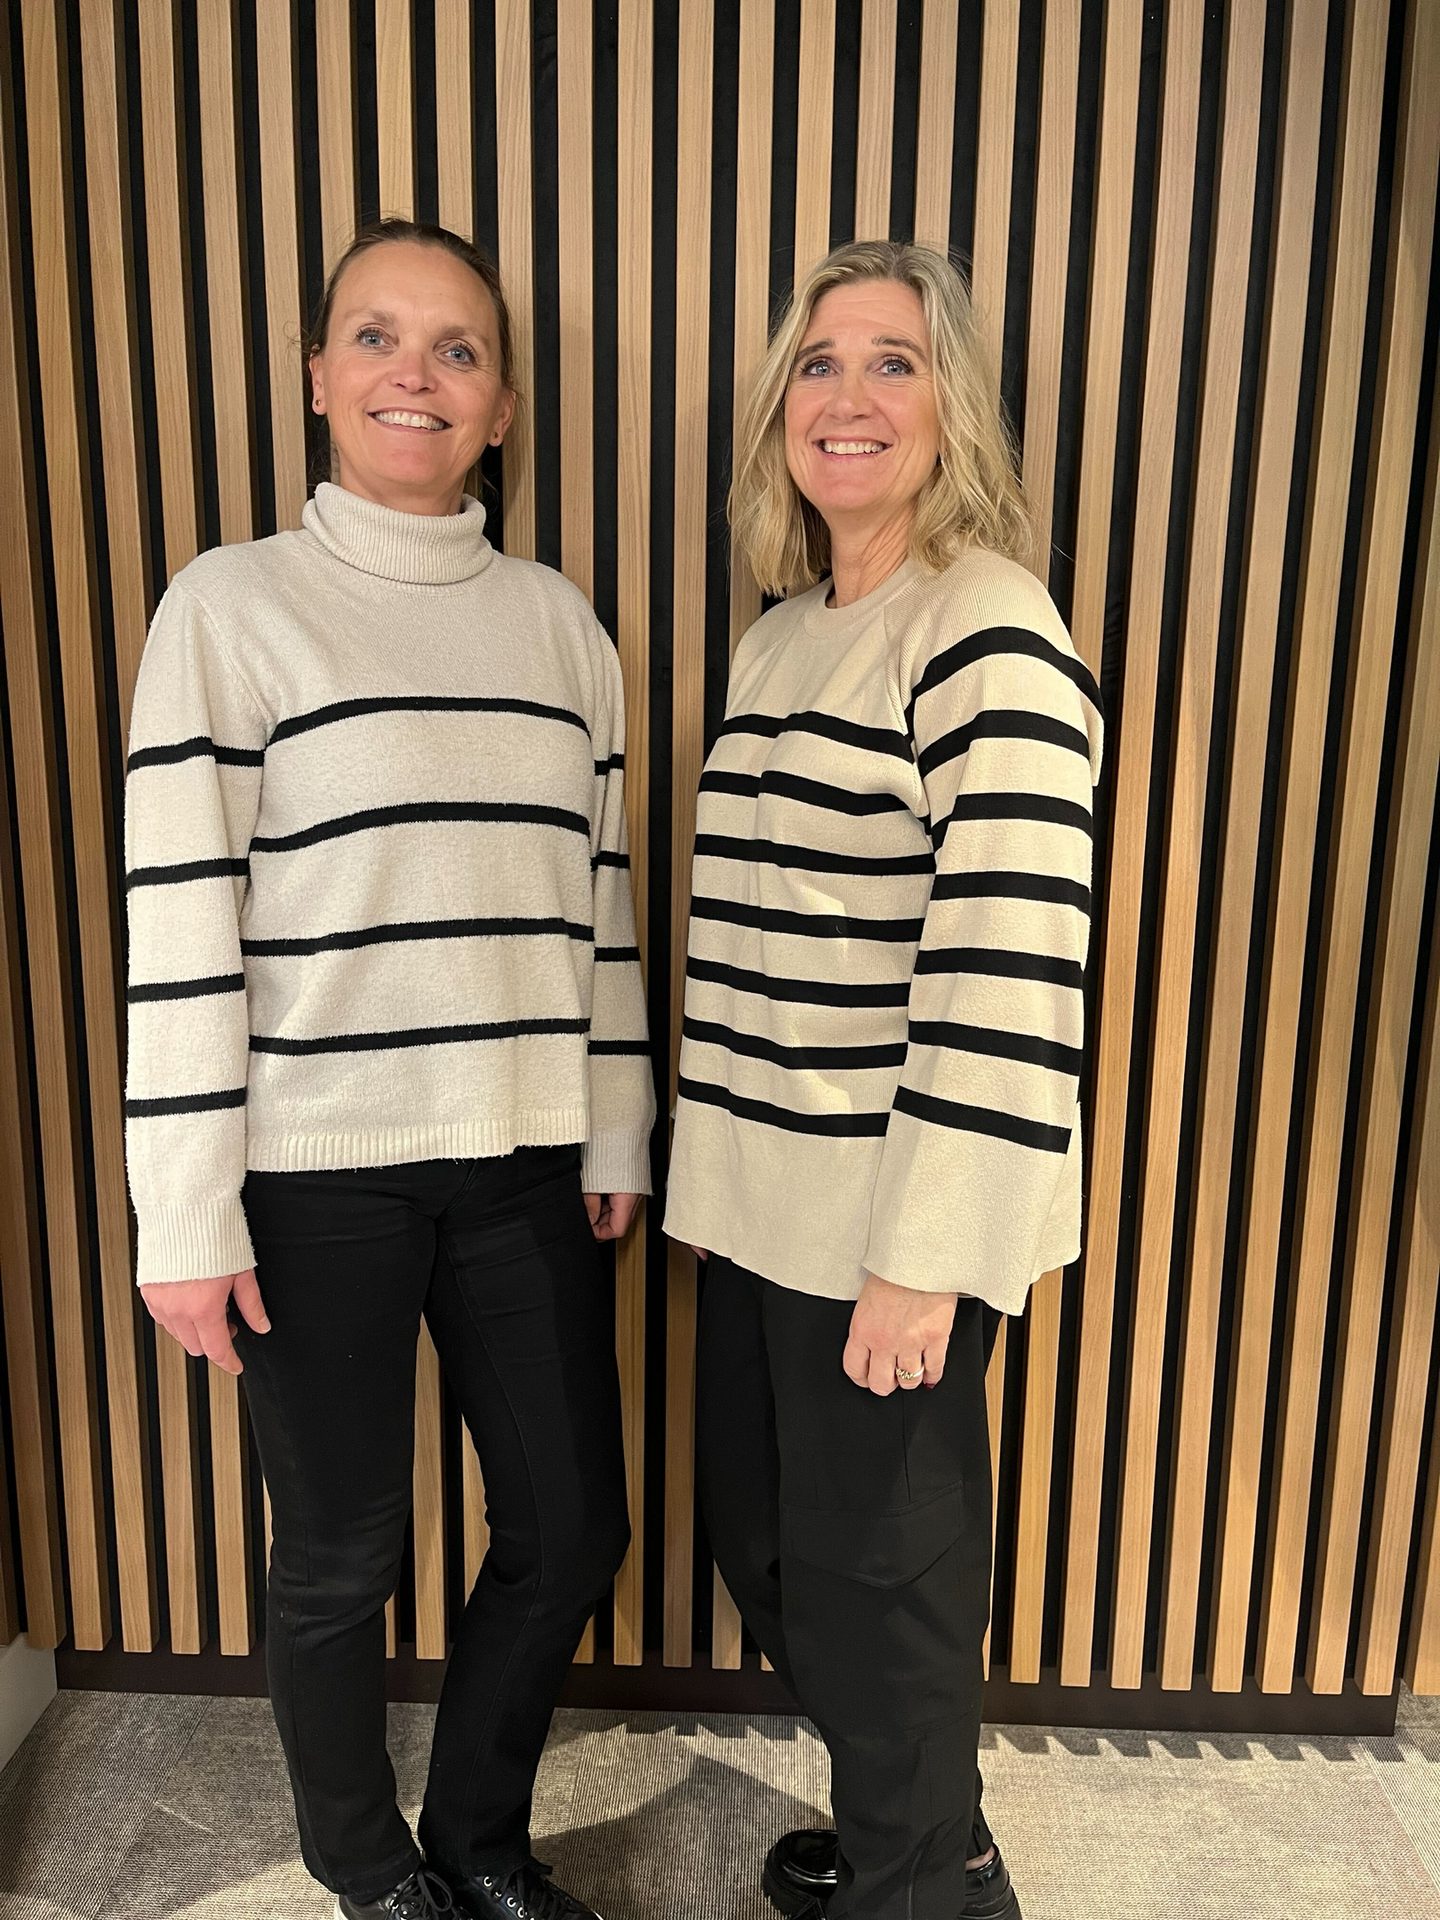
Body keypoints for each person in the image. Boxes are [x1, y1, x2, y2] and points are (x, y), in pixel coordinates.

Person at [124, 219, 654, 1920]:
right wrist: (184, 1207)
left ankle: (480, 1841)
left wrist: (619, 1123)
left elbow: (606, 906)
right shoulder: (228, 607)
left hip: (527, 1160)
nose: (413, 375)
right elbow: (181, 922)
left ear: (502, 405)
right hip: (313, 1171)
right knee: (341, 1558)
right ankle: (371, 1874)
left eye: (457, 350)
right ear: (316, 378)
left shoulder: (564, 629)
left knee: (572, 1532)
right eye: (376, 338)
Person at [664, 240, 1105, 1920]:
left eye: (895, 363)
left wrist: (925, 1254)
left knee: (882, 1585)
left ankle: (931, 1883)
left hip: (887, 1223)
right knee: (777, 1562)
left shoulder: (987, 626)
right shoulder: (783, 641)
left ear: (954, 411)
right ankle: (918, 1824)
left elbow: (1010, 959)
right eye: (820, 363)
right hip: (761, 1205)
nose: (848, 397)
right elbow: (752, 944)